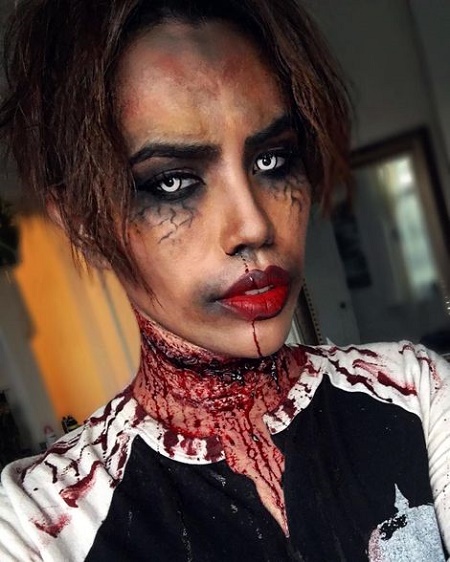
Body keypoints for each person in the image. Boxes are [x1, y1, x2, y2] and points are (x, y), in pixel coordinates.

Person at [0, 0, 449, 560]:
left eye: (272, 160)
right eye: (172, 182)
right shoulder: (41, 521)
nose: (253, 225)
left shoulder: (413, 393)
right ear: (83, 223)